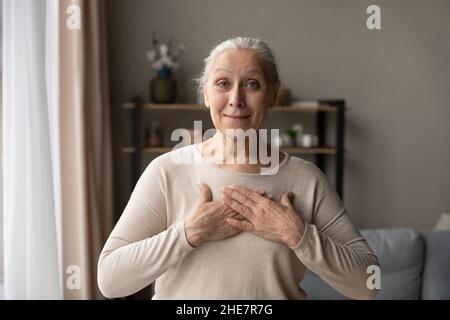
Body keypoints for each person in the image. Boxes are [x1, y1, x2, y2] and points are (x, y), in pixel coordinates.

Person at [97, 37, 380, 300]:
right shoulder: (167, 171)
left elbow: (369, 283)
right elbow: (110, 280)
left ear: (272, 95)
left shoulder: (305, 179)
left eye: (252, 84)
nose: (236, 99)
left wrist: (297, 234)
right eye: (222, 83)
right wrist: (189, 233)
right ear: (205, 94)